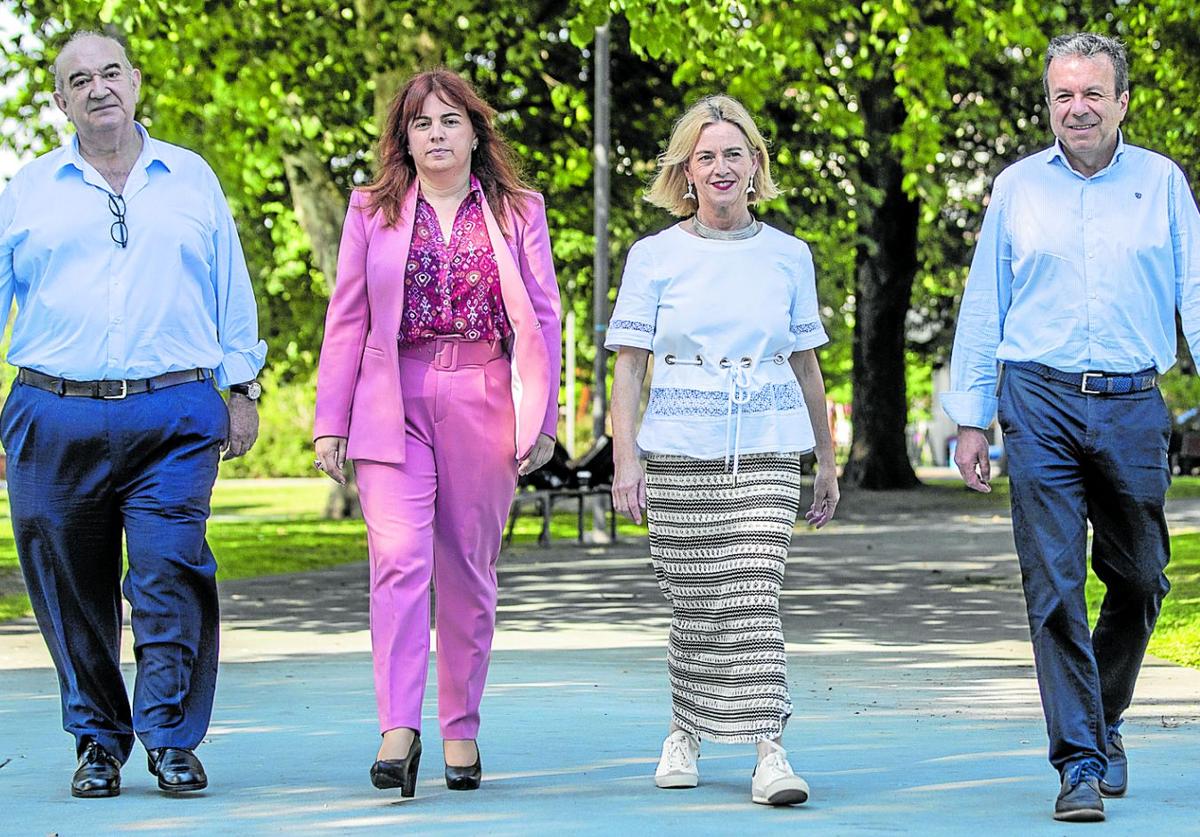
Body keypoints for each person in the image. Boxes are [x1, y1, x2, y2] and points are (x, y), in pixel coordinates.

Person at [0, 31, 266, 799]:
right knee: (68, 586)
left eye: (110, 71)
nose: (98, 87)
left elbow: (230, 290)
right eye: (78, 79)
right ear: (60, 100)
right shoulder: (29, 188)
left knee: (170, 570)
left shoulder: (190, 179)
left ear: (136, 80)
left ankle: (171, 736)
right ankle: (97, 738)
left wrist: (241, 388)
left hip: (175, 412)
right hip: (53, 412)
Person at [943, 32, 1200, 823]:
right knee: (1053, 582)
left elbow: (1197, 288)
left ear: (1122, 101)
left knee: (1142, 576)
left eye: (1092, 93)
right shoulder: (1018, 187)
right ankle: (1080, 760)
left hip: (1131, 402)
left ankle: (1104, 714)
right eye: (1063, 95)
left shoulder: (1161, 183)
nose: (1077, 108)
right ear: (1048, 104)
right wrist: (970, 414)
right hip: (1038, 398)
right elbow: (986, 302)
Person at [313, 69, 561, 797]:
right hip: (393, 399)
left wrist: (539, 417)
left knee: (468, 572)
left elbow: (542, 319)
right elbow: (347, 319)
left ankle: (460, 728)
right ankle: (398, 727)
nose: (437, 134)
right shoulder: (373, 209)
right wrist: (331, 421)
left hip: (484, 393)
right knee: (397, 561)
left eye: (450, 120)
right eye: (422, 124)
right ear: (405, 138)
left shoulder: (518, 210)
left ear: (475, 131)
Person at [607, 95, 839, 807]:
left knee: (753, 593)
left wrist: (826, 460)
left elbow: (807, 367)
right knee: (696, 601)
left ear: (754, 165)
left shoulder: (788, 255)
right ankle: (685, 727)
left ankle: (770, 748)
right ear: (686, 171)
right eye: (704, 156)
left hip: (767, 445)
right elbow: (628, 367)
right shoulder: (653, 257)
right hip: (679, 447)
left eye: (732, 153)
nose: (719, 167)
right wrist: (624, 460)